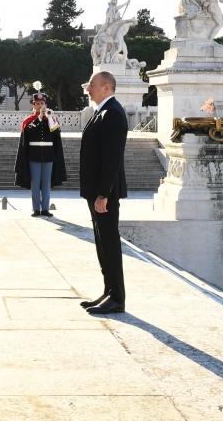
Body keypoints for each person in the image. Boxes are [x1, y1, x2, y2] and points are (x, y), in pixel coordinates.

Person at [78, 71, 128, 315]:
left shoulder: (114, 114)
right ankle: (109, 292)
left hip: (104, 193)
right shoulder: (102, 112)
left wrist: (103, 194)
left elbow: (112, 159)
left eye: (93, 85)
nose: (88, 88)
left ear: (107, 87)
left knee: (109, 242)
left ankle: (117, 297)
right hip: (96, 190)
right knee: (101, 242)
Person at [14, 83, 67, 217]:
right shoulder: (29, 121)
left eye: (42, 103)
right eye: (37, 104)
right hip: (34, 155)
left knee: (46, 183)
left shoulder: (51, 119)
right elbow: (28, 133)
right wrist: (38, 119)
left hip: (49, 156)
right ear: (33, 105)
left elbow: (56, 133)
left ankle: (45, 209)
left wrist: (49, 118)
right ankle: (36, 209)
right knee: (35, 183)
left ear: (45, 104)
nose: (39, 106)